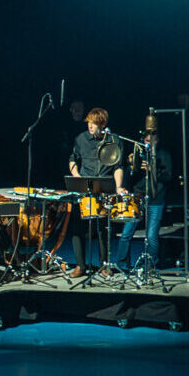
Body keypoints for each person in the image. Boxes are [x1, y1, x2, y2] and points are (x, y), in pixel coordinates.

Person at [67, 107, 128, 277]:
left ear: (102, 124)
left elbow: (118, 167)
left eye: (94, 124)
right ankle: (80, 266)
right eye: (89, 123)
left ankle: (103, 265)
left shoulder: (114, 140)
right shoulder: (81, 138)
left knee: (103, 229)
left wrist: (118, 186)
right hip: (85, 188)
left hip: (104, 188)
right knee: (78, 228)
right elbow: (73, 159)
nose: (90, 126)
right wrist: (77, 177)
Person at [113, 115, 176, 271]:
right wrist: (130, 166)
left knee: (151, 235)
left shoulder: (164, 155)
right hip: (137, 197)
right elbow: (129, 177)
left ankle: (151, 264)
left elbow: (168, 177)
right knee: (126, 233)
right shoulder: (139, 154)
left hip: (156, 199)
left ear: (158, 141)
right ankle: (121, 264)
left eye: (152, 141)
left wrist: (152, 169)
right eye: (146, 141)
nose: (149, 144)